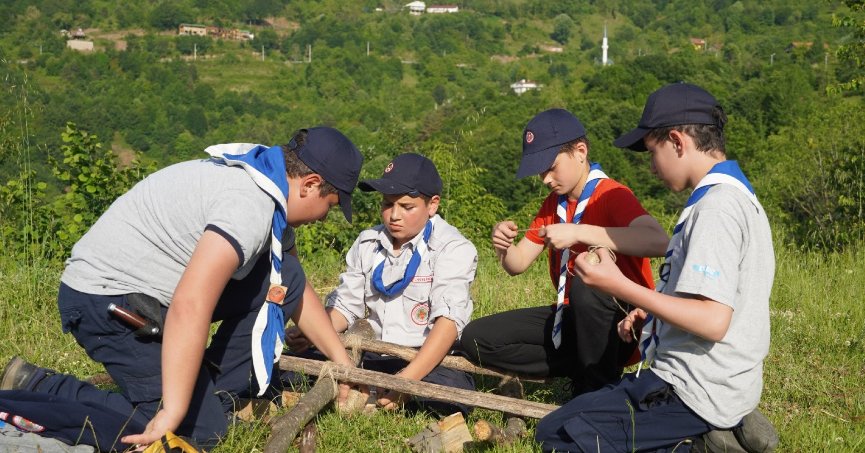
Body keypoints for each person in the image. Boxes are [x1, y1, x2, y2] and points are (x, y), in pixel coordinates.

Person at [0, 127, 364, 450]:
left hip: (142, 295)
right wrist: (173, 411)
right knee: (198, 433)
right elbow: (191, 304)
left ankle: (212, 396)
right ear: (311, 183)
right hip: (106, 301)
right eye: (329, 207)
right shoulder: (249, 206)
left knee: (285, 277)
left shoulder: (265, 182)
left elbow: (291, 284)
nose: (323, 217)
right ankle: (36, 391)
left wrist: (342, 363)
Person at [535, 82, 778, 452]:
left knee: (559, 438)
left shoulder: (716, 210)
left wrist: (621, 286)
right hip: (706, 378)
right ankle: (722, 426)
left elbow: (713, 320)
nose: (651, 168)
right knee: (559, 421)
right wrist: (653, 316)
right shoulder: (734, 195)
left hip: (692, 390)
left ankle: (699, 442)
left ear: (678, 142)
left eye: (653, 152)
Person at [459, 108, 669, 396]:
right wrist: (503, 247)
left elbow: (658, 241)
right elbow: (517, 263)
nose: (545, 178)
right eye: (540, 171)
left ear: (580, 151)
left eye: (551, 166)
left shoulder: (611, 194)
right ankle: (583, 370)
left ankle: (594, 390)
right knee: (476, 338)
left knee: (587, 282)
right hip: (570, 317)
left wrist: (579, 232)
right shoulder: (553, 204)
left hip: (623, 323)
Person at [285, 153, 478, 416]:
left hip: (425, 358)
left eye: (407, 207)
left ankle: (376, 397)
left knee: (451, 396)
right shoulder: (368, 242)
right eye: (387, 204)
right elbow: (346, 306)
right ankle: (374, 395)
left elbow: (449, 322)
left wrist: (406, 381)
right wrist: (315, 331)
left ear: (432, 205)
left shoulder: (452, 248)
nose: (394, 216)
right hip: (372, 353)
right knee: (289, 371)